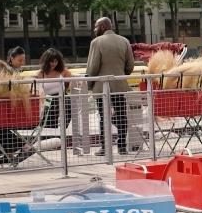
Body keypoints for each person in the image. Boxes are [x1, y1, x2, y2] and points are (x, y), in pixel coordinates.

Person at [86, 17, 134, 155]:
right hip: (119, 84)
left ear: (102, 27)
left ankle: (105, 147)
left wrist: (90, 84)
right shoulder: (124, 41)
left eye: (96, 27)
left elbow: (92, 67)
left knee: (104, 117)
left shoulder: (96, 42)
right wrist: (120, 75)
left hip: (101, 86)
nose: (94, 30)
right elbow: (130, 65)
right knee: (121, 115)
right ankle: (122, 146)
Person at [37, 47, 86, 155]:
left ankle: (60, 131)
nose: (53, 64)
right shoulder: (41, 74)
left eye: (55, 61)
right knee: (47, 117)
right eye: (51, 61)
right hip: (48, 100)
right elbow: (39, 91)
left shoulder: (63, 72)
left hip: (62, 97)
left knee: (68, 105)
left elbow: (74, 82)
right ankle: (49, 138)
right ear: (46, 61)